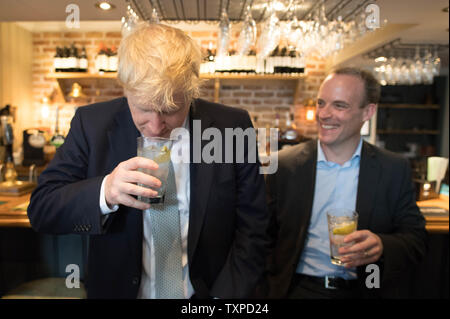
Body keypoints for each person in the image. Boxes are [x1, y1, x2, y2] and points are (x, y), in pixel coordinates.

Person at [27, 23, 269, 299]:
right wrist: (105, 191)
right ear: (126, 89)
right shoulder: (91, 124)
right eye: (143, 108)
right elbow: (42, 210)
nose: (155, 127)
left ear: (191, 93)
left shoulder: (231, 127)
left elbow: (254, 228)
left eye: (170, 111)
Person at [264, 67, 428, 299]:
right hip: (297, 290)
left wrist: (381, 245)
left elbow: (416, 239)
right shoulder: (285, 166)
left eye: (339, 106)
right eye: (321, 103)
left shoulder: (393, 168)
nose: (324, 114)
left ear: (368, 111)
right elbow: (261, 236)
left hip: (365, 290)